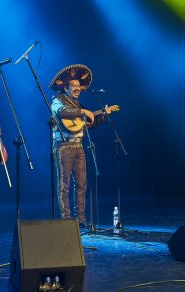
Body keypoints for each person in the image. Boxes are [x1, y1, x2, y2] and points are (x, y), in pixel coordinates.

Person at [49, 64, 111, 228]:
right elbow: (61, 112)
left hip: (79, 146)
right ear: (66, 87)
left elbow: (87, 124)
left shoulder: (79, 105)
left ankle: (81, 218)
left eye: (78, 86)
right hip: (63, 146)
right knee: (64, 185)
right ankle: (66, 220)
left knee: (82, 184)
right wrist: (83, 112)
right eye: (73, 86)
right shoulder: (57, 99)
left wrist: (102, 115)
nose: (77, 89)